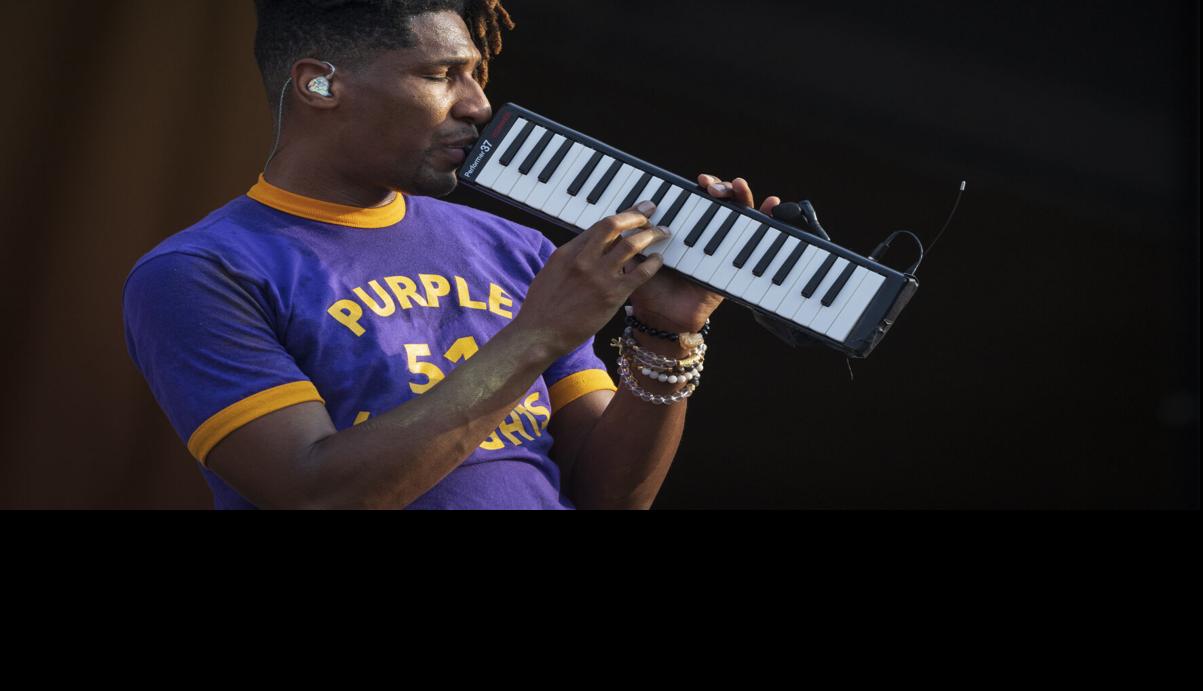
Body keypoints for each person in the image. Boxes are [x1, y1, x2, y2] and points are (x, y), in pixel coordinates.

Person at [122, 0, 781, 508]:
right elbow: (315, 492)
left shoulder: (512, 246)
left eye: (475, 73)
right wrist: (538, 334)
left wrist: (666, 330)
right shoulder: (203, 271)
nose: (478, 104)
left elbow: (608, 494)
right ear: (320, 86)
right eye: (440, 74)